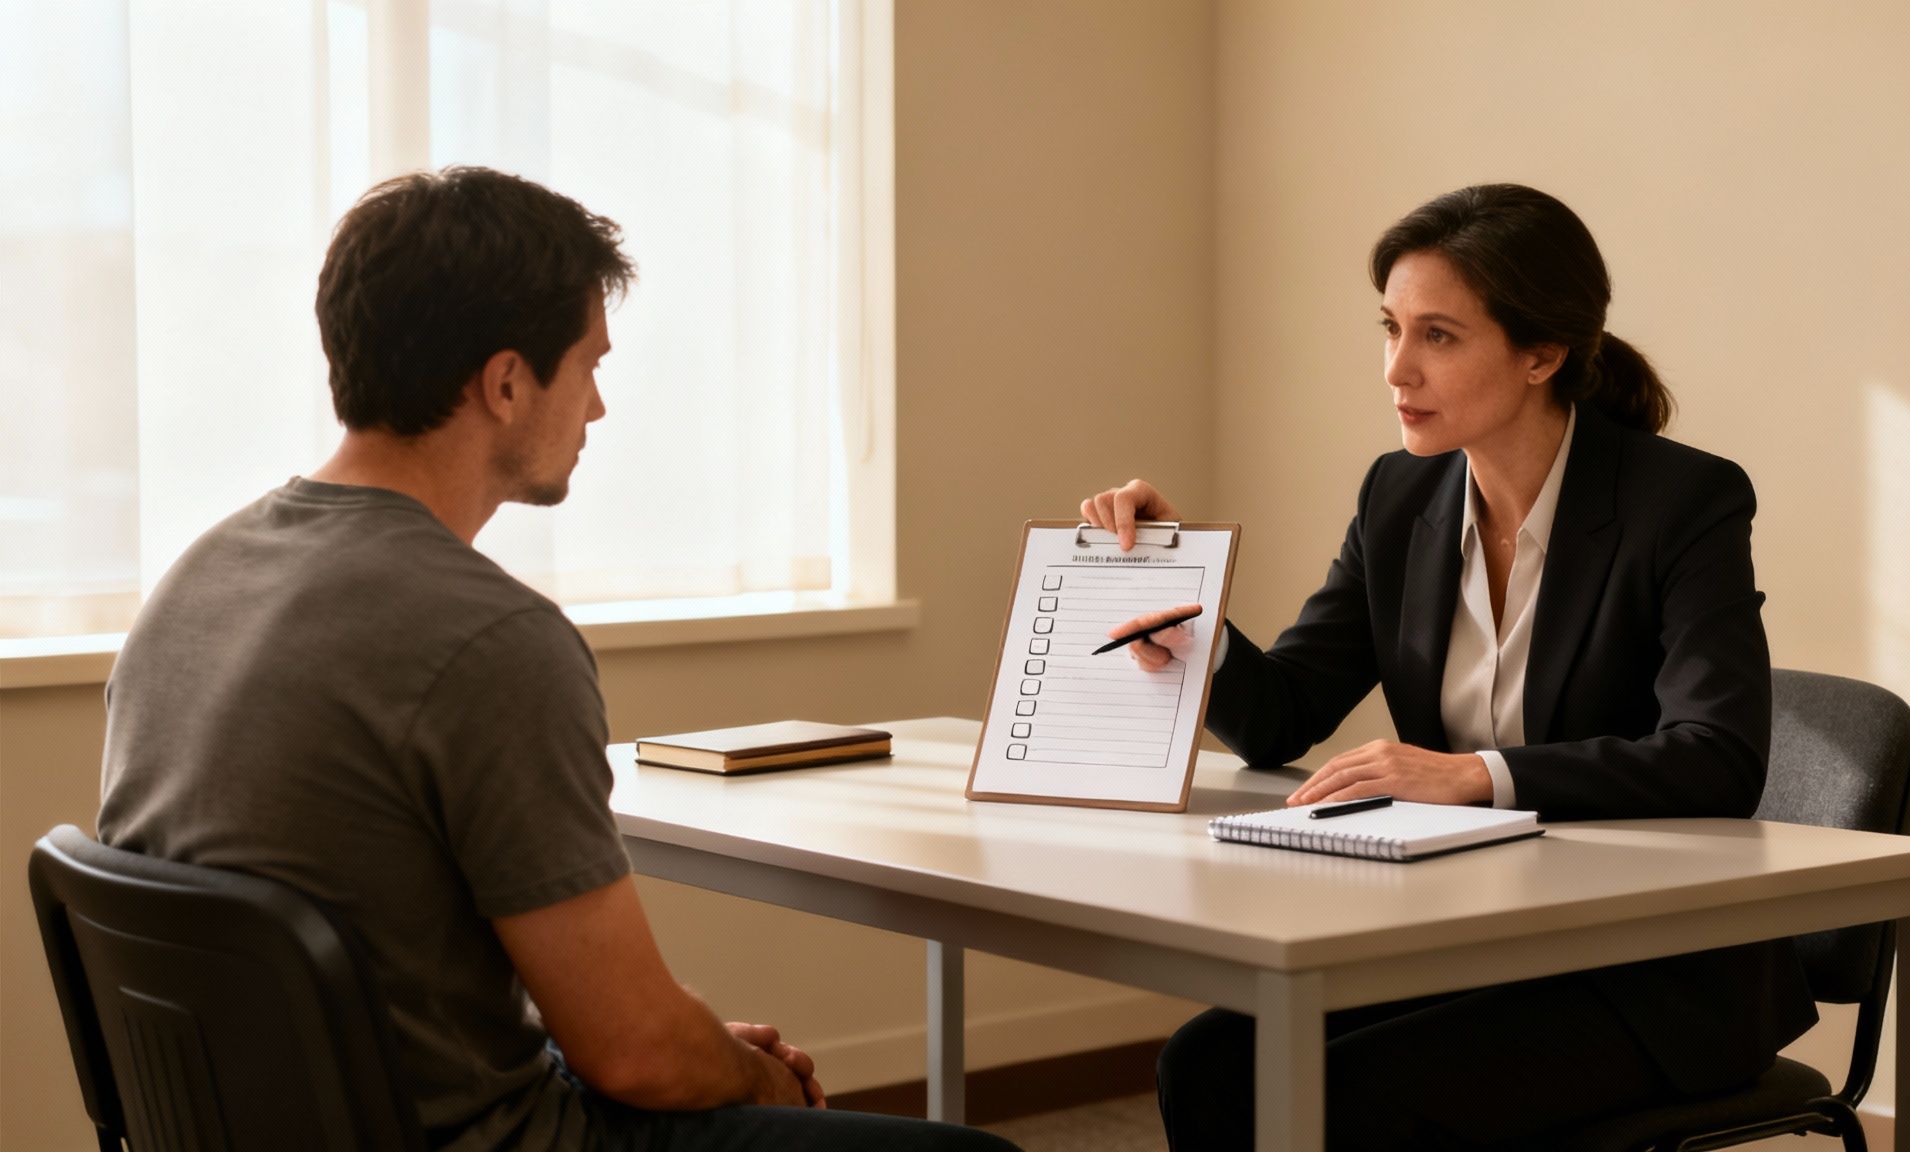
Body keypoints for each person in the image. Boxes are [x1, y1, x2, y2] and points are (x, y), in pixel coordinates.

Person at [98, 167, 1016, 1152]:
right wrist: (749, 1077)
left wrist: (685, 1043)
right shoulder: (488, 640)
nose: (598, 408)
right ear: (504, 383)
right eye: (588, 366)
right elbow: (637, 1059)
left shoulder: (194, 582)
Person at [1080, 184, 1816, 1149]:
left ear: (1541, 354)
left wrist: (1475, 776)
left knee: (1350, 1098)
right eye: (1389, 327)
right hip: (1470, 935)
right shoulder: (1400, 495)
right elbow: (1281, 713)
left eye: (1438, 336)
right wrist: (1193, 608)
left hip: (1650, 972)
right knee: (1209, 1063)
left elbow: (1717, 756)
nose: (1396, 369)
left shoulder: (1684, 501)